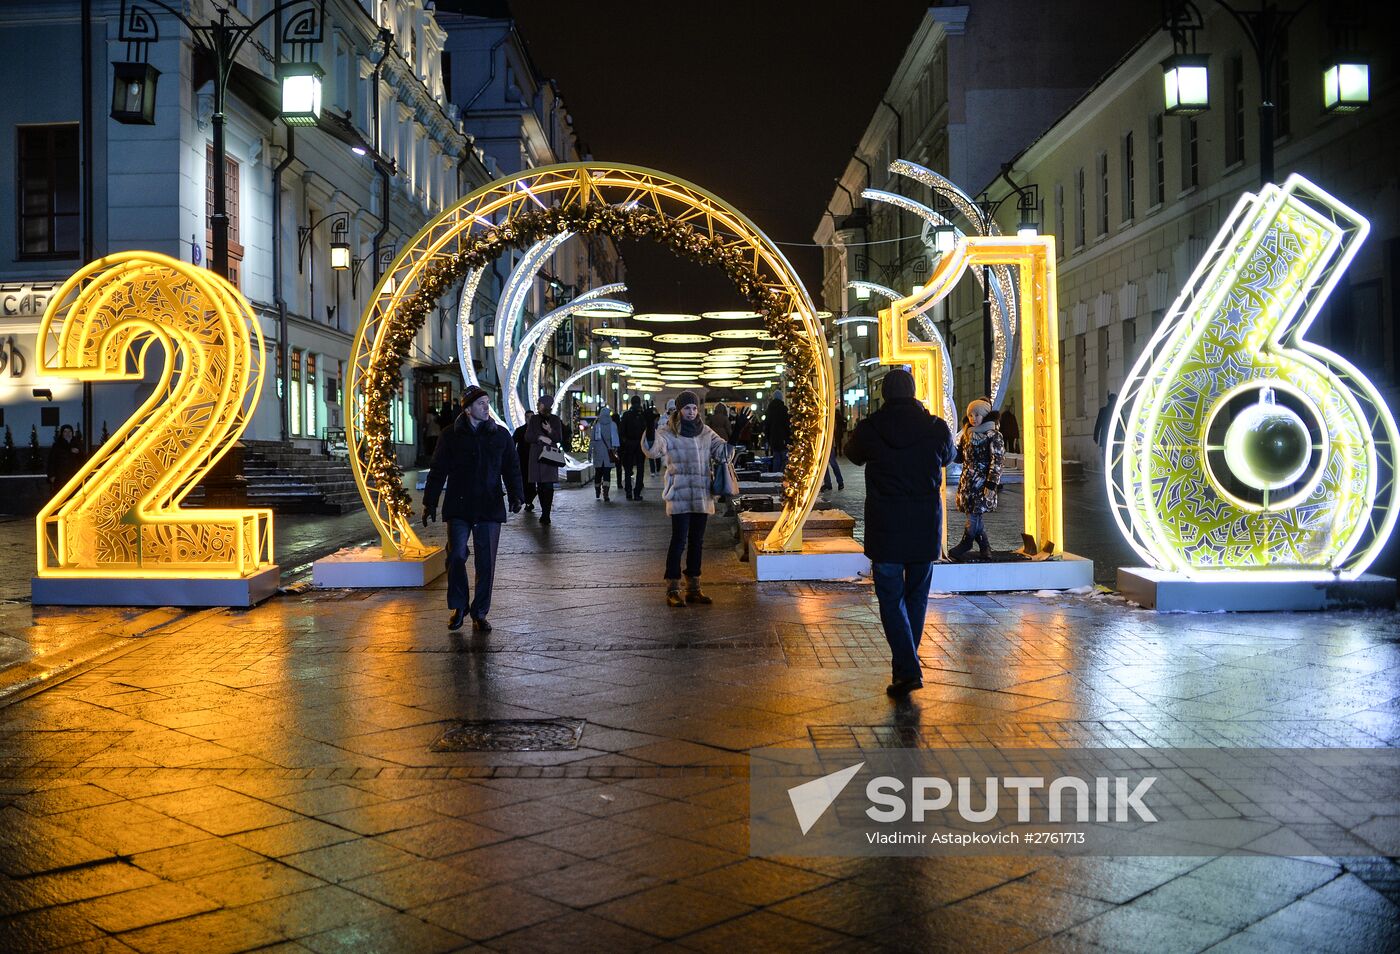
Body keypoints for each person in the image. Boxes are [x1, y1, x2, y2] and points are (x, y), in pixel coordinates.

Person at [844, 369, 954, 697]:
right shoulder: (935, 427)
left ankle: (906, 669)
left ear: (884, 395)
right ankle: (906, 667)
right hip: (923, 525)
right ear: (914, 391)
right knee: (916, 596)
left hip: (885, 526)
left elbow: (852, 454)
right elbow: (949, 456)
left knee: (891, 600)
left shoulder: (871, 427)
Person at [422, 386, 524, 632]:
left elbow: (512, 467)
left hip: (489, 506)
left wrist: (516, 495)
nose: (486, 407)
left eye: (488, 403)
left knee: (486, 562)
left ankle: (479, 612)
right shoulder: (450, 436)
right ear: (467, 409)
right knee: (456, 555)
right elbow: (437, 471)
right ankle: (459, 606)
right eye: (481, 404)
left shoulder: (500, 435)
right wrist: (430, 502)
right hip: (459, 506)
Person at [641, 390, 733, 608]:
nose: (691, 412)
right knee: (679, 540)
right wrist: (649, 429)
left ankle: (694, 587)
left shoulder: (706, 432)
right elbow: (653, 451)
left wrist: (735, 435)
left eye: (693, 408)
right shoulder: (669, 432)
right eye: (687, 408)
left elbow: (723, 455)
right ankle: (672, 588)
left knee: (697, 542)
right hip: (680, 495)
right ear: (680, 410)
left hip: (701, 495)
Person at [949, 398, 1005, 562]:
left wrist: (991, 483)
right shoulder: (967, 433)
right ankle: (985, 548)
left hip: (982, 482)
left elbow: (997, 460)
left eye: (978, 414)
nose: (973, 418)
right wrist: (951, 451)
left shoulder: (993, 435)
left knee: (974, 515)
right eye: (971, 415)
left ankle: (966, 543)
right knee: (974, 514)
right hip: (968, 482)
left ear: (986, 415)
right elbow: (960, 457)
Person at [524, 395, 565, 525]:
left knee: (548, 485)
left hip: (549, 456)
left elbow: (558, 438)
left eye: (540, 403)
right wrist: (540, 437)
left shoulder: (555, 419)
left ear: (546, 404)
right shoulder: (534, 419)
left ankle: (546, 513)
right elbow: (528, 436)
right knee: (540, 486)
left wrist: (550, 430)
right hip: (536, 456)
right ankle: (543, 511)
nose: (537, 404)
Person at [619, 395, 648, 500]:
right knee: (640, 469)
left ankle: (628, 492)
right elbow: (646, 430)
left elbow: (621, 431)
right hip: (640, 445)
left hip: (629, 445)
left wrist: (625, 442)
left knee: (628, 469)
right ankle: (637, 492)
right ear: (639, 403)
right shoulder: (642, 415)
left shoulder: (626, 415)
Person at [591, 406, 619, 501]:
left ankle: (597, 490)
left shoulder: (596, 425)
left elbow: (592, 440)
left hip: (598, 453)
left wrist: (590, 452)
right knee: (607, 473)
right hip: (608, 453)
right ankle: (606, 493)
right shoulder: (613, 425)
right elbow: (616, 440)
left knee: (598, 473)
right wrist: (615, 450)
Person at [514, 412, 535, 511]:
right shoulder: (520, 430)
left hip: (535, 460)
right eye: (528, 417)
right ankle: (528, 501)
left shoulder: (537, 431)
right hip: (523, 460)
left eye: (532, 417)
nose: (530, 419)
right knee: (526, 481)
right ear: (525, 418)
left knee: (531, 482)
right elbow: (512, 443)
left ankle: (529, 501)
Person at [765, 391, 790, 473]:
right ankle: (782, 474)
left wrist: (768, 439)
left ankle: (775, 474)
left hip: (773, 438)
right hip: (783, 437)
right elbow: (787, 425)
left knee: (776, 457)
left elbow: (767, 425)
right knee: (784, 458)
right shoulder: (783, 409)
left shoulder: (769, 410)